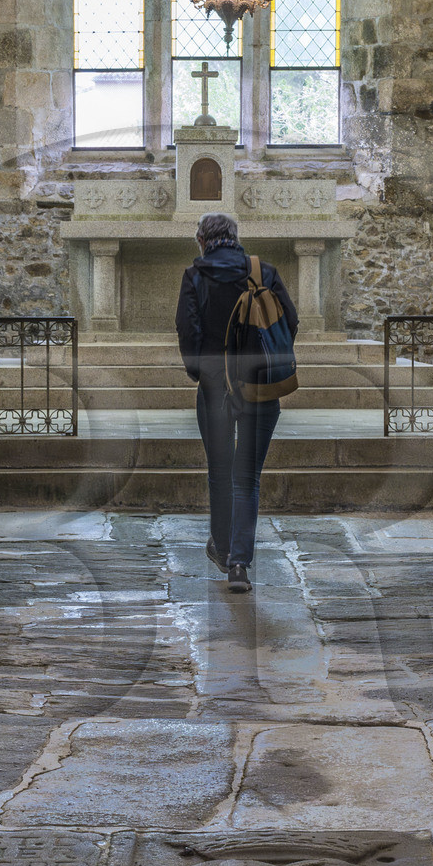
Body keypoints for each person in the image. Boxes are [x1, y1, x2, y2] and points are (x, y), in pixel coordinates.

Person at [176, 212, 297, 594]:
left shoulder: (195, 277)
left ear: (201, 240)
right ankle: (239, 564)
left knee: (219, 472)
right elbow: (289, 322)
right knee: (247, 477)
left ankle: (224, 547)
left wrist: (206, 376)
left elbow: (187, 333)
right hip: (261, 385)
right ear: (236, 238)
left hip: (215, 388)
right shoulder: (264, 272)